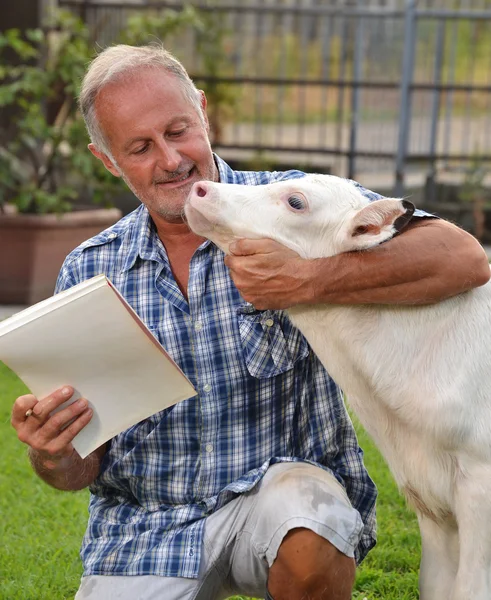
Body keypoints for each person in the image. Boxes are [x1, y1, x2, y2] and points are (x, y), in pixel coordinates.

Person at [11, 44, 490, 600]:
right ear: (108, 160)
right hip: (148, 531)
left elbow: (463, 259)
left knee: (313, 533)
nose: (170, 160)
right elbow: (79, 470)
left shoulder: (296, 203)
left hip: (283, 500)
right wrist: (55, 452)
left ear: (204, 113)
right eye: (140, 147)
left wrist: (307, 281)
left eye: (178, 130)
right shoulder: (91, 271)